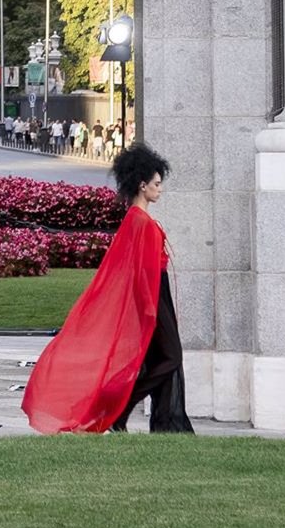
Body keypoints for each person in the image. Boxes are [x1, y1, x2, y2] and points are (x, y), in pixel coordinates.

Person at [21, 143, 194, 435]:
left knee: (161, 359)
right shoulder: (141, 223)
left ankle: (164, 422)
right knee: (171, 357)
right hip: (153, 294)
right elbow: (142, 271)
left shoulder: (135, 220)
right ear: (142, 185)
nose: (160, 190)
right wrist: (149, 309)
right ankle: (120, 410)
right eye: (156, 184)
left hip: (153, 293)